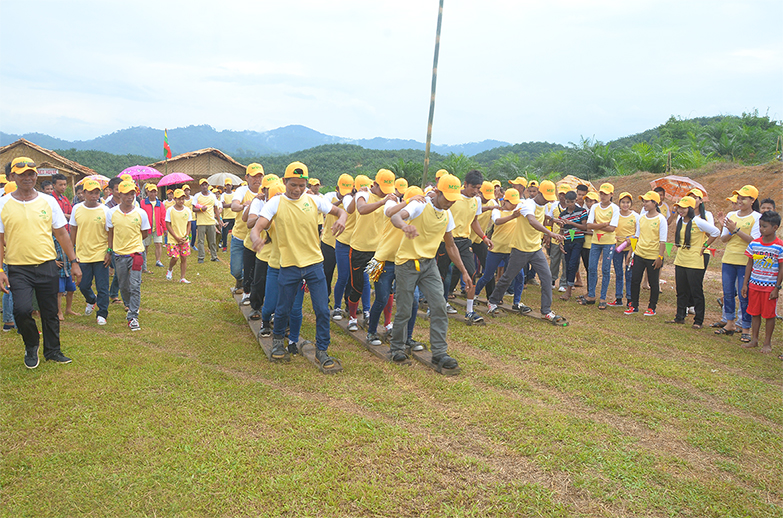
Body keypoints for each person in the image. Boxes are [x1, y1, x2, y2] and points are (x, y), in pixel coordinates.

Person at [251, 161, 347, 367]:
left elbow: (340, 212)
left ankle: (322, 351)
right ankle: (278, 343)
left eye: (302, 185)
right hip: (289, 265)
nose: (297, 189)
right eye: (293, 185)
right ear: (285, 182)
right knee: (283, 307)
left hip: (314, 265)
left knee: (322, 309)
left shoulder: (314, 201)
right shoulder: (275, 203)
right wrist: (255, 236)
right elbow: (258, 226)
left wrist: (343, 218)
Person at [0, 157, 81, 367]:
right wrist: (0, 269)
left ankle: (53, 351)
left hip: (47, 265)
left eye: (31, 173)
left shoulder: (48, 201)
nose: (27, 178)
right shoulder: (3, 204)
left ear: (36, 175)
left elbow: (62, 234)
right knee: (21, 310)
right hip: (18, 268)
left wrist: (74, 261)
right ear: (12, 177)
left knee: (50, 311)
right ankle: (31, 344)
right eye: (22, 174)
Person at [388, 174, 472, 368]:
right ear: (437, 191)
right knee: (405, 308)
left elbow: (451, 246)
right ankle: (397, 348)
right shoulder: (420, 204)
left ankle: (439, 353)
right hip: (407, 263)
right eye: (447, 198)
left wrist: (464, 272)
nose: (450, 202)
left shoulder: (447, 213)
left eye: (453, 199)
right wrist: (404, 227)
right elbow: (395, 216)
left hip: (428, 265)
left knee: (439, 306)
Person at [487, 180, 566, 323]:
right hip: (520, 249)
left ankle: (546, 311)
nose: (548, 201)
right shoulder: (527, 204)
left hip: (535, 249)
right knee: (508, 276)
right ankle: (492, 301)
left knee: (546, 277)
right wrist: (551, 234)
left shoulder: (543, 205)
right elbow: (532, 221)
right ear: (540, 193)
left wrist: (553, 221)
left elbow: (541, 218)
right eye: (546, 197)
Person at [365, 186, 425, 347]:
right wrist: (408, 201)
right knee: (382, 298)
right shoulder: (391, 204)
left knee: (413, 300)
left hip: (406, 262)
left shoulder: (419, 214)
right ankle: (371, 332)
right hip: (384, 261)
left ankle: (408, 337)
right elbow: (390, 213)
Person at [436, 169, 493, 324]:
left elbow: (474, 221)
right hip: (446, 241)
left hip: (464, 241)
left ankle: (469, 311)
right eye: (473, 187)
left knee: (471, 273)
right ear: (465, 184)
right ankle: (436, 305)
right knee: (442, 275)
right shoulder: (452, 198)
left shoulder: (477, 201)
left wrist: (484, 237)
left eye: (478, 188)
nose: (475, 191)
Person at [346, 169, 397, 332]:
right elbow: (361, 209)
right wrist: (382, 202)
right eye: (383, 189)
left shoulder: (390, 199)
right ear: (374, 184)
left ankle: (387, 323)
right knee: (357, 286)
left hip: (379, 252)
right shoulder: (364, 194)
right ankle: (353, 317)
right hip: (360, 249)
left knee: (385, 288)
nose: (386, 194)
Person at [715, 185, 761, 342]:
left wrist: (735, 230)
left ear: (752, 200)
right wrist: (725, 227)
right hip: (728, 259)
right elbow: (723, 239)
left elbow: (754, 241)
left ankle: (746, 328)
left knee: (744, 295)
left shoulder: (757, 217)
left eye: (744, 198)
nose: (740, 201)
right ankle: (730, 323)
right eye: (739, 198)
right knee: (728, 293)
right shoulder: (731, 214)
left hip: (745, 262)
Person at [666, 196, 720, 329]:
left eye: (684, 208)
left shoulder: (698, 221)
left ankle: (698, 320)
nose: (681, 210)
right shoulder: (680, 220)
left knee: (696, 291)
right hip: (681, 259)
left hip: (695, 261)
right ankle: (680, 316)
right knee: (681, 290)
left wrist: (705, 245)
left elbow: (715, 231)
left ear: (690, 208)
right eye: (679, 207)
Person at [107, 180, 151, 331]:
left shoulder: (141, 213)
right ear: (119, 194)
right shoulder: (111, 213)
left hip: (136, 254)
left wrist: (135, 244)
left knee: (135, 285)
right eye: (126, 194)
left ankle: (133, 316)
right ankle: (128, 304)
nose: (130, 197)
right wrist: (109, 251)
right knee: (124, 286)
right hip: (119, 255)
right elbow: (110, 233)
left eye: (132, 193)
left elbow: (144, 233)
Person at [474, 188, 526, 308]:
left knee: (519, 276)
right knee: (487, 275)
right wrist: (513, 216)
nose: (513, 204)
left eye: (515, 202)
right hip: (496, 250)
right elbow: (497, 222)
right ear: (504, 201)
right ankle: (474, 295)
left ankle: (517, 302)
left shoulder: (519, 211)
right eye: (511, 202)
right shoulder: (497, 211)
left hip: (511, 251)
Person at [69, 178, 112, 325]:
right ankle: (90, 299)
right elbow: (73, 230)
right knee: (83, 284)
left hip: (101, 254)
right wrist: (71, 252)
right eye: (91, 193)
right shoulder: (77, 209)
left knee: (102, 286)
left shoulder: (105, 210)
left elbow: (110, 232)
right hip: (83, 255)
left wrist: (109, 251)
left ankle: (102, 313)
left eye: (96, 193)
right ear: (84, 193)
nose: (94, 196)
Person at [741, 210, 782, 353]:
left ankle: (767, 343)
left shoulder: (779, 246)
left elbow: (781, 268)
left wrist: (777, 287)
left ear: (775, 227)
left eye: (765, 226)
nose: (761, 229)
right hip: (754, 285)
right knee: (755, 313)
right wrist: (745, 284)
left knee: (769, 315)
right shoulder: (754, 244)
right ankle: (754, 339)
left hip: (770, 288)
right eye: (760, 226)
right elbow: (749, 264)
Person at [624, 191, 667, 316]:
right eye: (643, 201)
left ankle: (652, 307)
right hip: (639, 254)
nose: (644, 203)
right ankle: (634, 305)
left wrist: (660, 257)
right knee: (635, 280)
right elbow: (636, 237)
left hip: (653, 256)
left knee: (653, 283)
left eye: (647, 201)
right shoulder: (642, 218)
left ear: (655, 203)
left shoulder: (661, 219)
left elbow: (663, 241)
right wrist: (631, 253)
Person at [580, 183, 620, 309]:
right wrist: (603, 224)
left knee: (606, 269)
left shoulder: (615, 208)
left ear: (611, 195)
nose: (603, 196)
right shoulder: (595, 207)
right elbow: (589, 225)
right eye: (601, 193)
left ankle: (603, 297)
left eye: (605, 194)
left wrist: (597, 225)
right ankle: (591, 295)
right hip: (595, 242)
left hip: (609, 242)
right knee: (591, 268)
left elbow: (612, 228)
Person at [229, 164, 265, 298]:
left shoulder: (265, 191)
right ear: (247, 177)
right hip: (239, 236)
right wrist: (242, 205)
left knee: (256, 270)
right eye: (254, 176)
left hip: (256, 240)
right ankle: (240, 279)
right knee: (236, 270)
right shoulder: (242, 191)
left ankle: (250, 289)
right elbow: (234, 205)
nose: (257, 179)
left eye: (260, 176)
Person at [552, 190, 588, 302]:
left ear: (575, 201)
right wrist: (561, 242)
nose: (570, 204)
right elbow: (562, 230)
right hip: (567, 241)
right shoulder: (562, 214)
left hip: (578, 241)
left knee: (573, 263)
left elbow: (584, 227)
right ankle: (568, 287)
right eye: (568, 202)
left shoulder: (582, 211)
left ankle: (569, 290)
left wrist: (572, 223)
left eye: (572, 202)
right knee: (567, 264)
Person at [608, 192, 638, 307]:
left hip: (630, 249)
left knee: (629, 273)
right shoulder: (615, 215)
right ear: (619, 203)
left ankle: (630, 299)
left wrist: (632, 239)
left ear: (631, 203)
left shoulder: (636, 216)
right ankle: (618, 298)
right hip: (617, 248)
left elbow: (638, 233)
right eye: (623, 202)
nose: (625, 205)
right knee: (618, 273)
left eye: (628, 202)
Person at [164, 189, 194, 283]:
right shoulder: (170, 210)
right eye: (179, 199)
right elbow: (168, 224)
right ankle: (170, 269)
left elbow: (189, 223)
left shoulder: (187, 210)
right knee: (175, 257)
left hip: (184, 238)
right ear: (175, 199)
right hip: (173, 238)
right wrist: (176, 237)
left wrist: (186, 235)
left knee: (183, 257)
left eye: (183, 199)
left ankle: (182, 278)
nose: (181, 201)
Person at [192, 179, 222, 263]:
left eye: (206, 185)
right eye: (202, 185)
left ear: (208, 185)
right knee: (200, 241)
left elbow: (216, 208)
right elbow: (193, 208)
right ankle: (201, 257)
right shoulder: (197, 196)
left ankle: (214, 256)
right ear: (200, 186)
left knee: (212, 240)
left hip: (211, 221)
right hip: (201, 222)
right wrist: (201, 209)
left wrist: (219, 220)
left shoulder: (212, 196)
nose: (204, 186)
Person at [140, 183, 166, 271]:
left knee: (158, 243)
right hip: (146, 227)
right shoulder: (143, 203)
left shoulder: (160, 204)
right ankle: (144, 261)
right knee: (145, 245)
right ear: (147, 192)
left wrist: (165, 228)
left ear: (157, 193)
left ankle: (158, 260)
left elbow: (163, 217)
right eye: (151, 192)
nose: (153, 194)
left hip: (157, 227)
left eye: (154, 192)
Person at [54, 233, 77, 320]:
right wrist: (53, 261)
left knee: (71, 290)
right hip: (58, 271)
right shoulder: (51, 239)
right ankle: (59, 311)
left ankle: (68, 309)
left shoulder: (68, 237)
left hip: (68, 269)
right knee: (59, 292)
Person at [219, 180, 236, 252]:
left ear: (232, 185)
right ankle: (224, 246)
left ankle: (235, 246)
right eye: (227, 185)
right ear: (225, 186)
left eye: (229, 185)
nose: (228, 186)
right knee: (225, 233)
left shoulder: (235, 194)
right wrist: (231, 205)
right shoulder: (223, 195)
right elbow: (223, 205)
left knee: (235, 232)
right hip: (226, 216)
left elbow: (235, 204)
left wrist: (228, 205)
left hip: (234, 216)